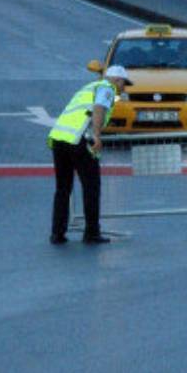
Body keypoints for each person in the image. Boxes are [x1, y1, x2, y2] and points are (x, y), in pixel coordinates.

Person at [47, 65, 133, 245]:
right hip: (80, 139)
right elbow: (99, 108)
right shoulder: (107, 88)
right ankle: (92, 233)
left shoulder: (88, 87)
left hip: (59, 139)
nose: (124, 88)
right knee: (91, 186)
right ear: (117, 80)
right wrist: (96, 135)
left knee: (63, 188)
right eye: (124, 83)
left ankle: (57, 233)